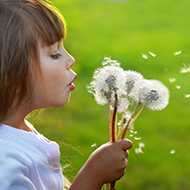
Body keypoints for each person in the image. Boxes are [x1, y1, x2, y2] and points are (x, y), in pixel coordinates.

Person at [0, 0, 133, 189]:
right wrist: (93, 175)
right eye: (55, 54)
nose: (71, 59)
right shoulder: (5, 165)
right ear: (12, 78)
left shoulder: (18, 129)